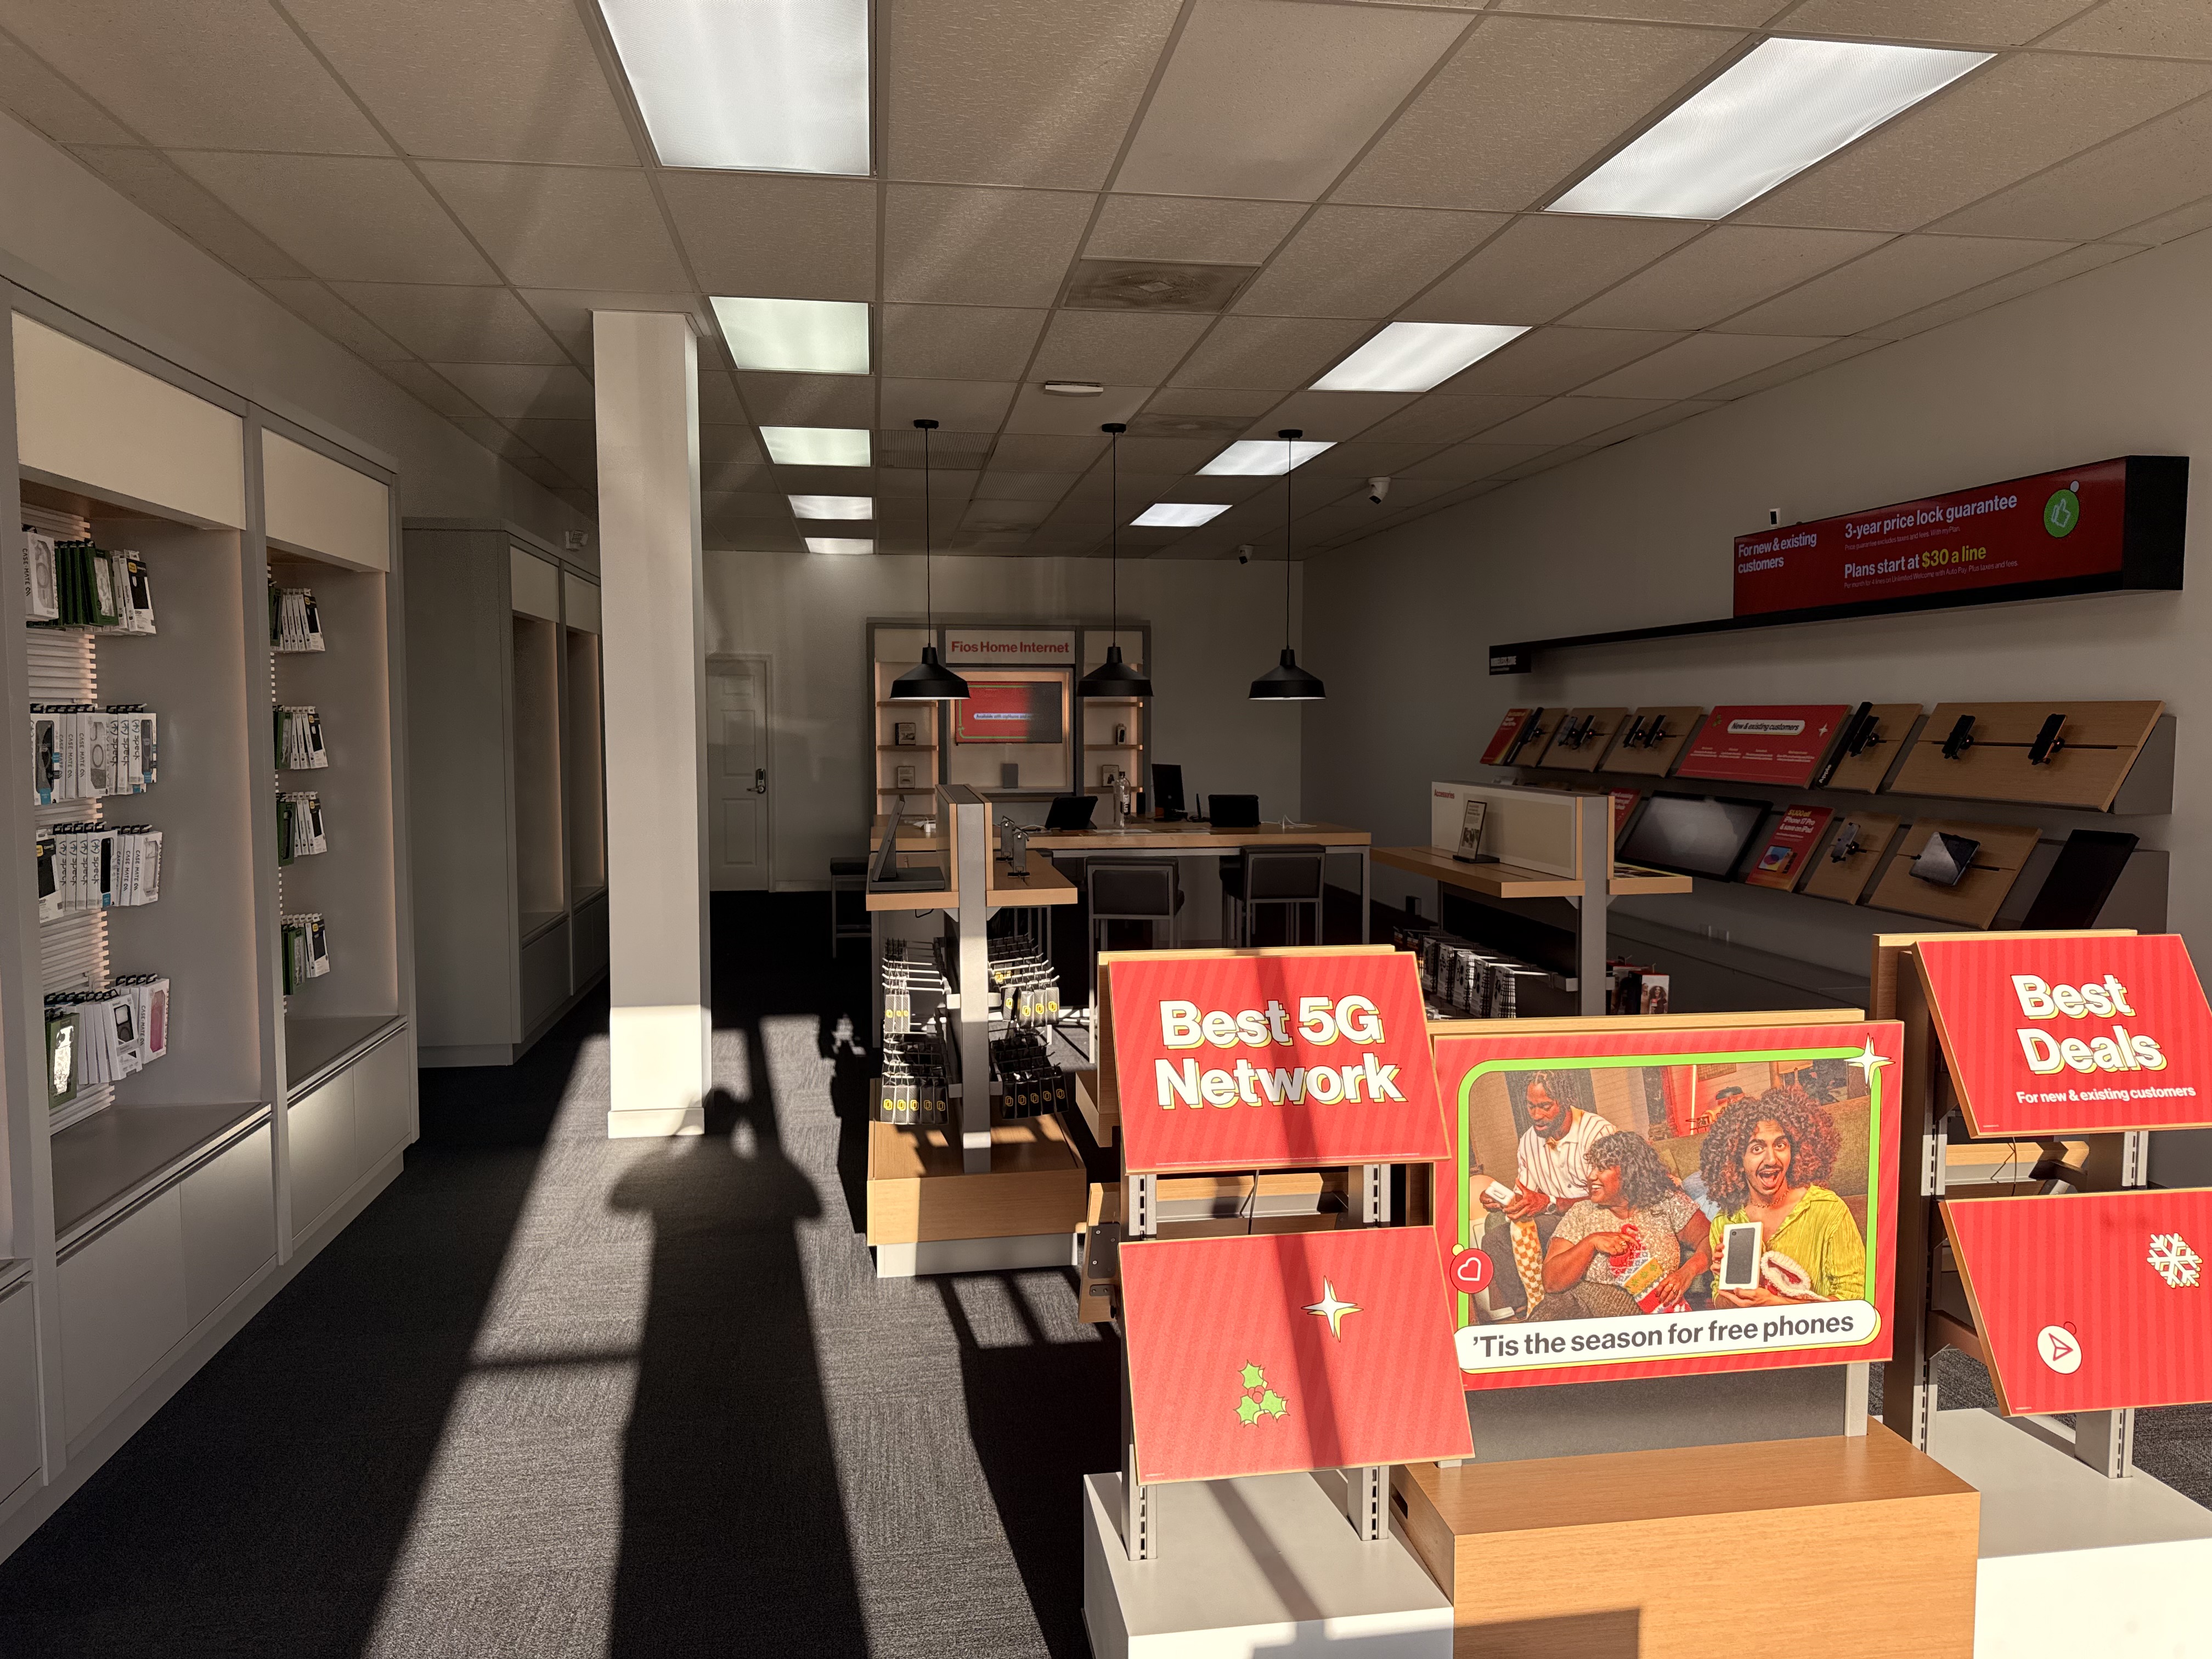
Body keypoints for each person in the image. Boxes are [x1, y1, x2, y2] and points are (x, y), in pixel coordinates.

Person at [1698, 1086, 1865, 1305]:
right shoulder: (1725, 1222)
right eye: (1757, 1148)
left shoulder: (1828, 1209)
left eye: (1780, 1145)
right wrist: (1731, 1291)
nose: (1771, 1159)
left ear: (1795, 1151)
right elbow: (1719, 1300)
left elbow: (1854, 1301)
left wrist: (1774, 1304)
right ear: (1737, 1160)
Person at [1531, 1131, 1711, 1321]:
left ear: (1629, 1172)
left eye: (1602, 1168)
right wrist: (1591, 1242)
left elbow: (1710, 1239)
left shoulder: (1668, 1203)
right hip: (1576, 1312)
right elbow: (1551, 1282)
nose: (1591, 1175)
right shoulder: (1581, 1212)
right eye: (1593, 1167)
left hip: (1648, 1317)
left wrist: (1688, 1272)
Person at [1475, 1071, 1611, 1315]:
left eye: (1546, 1107)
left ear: (1565, 1101)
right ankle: (1527, 1313)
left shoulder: (1597, 1132)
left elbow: (1611, 1195)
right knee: (1494, 1240)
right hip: (1556, 1219)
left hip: (1598, 1215)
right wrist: (1503, 1200)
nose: (1537, 1115)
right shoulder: (1528, 1142)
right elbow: (1525, 1195)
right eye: (1531, 1106)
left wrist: (1549, 1202)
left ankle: (1546, 1309)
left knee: (1541, 1230)